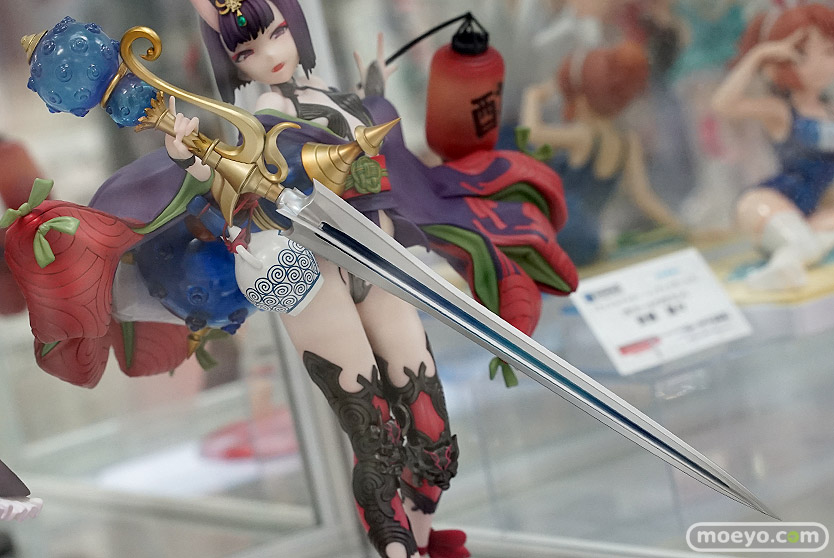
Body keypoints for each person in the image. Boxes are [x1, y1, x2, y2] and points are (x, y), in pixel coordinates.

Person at [520, 41, 683, 266]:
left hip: (557, 238)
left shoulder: (583, 135)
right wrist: (680, 229)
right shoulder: (628, 141)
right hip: (590, 241)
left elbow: (531, 134)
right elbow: (643, 196)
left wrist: (533, 97)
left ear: (581, 97)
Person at [712, 3, 834, 290]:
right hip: (771, 201)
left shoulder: (829, 109)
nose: (822, 64)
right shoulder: (781, 111)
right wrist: (760, 55)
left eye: (830, 52)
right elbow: (723, 104)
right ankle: (782, 267)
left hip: (816, 210)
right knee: (803, 242)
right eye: (803, 55)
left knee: (816, 242)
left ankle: (786, 264)